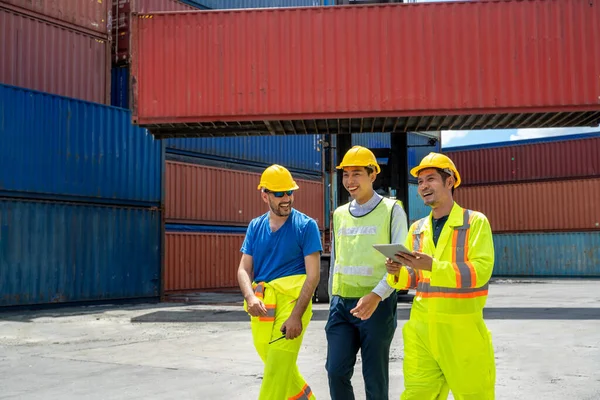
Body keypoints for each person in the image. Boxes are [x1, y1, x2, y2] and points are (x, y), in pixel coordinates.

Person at [385, 152, 496, 400]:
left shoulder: (474, 222)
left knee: (474, 394)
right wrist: (397, 273)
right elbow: (414, 278)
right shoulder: (417, 229)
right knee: (417, 395)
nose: (423, 186)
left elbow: (480, 272)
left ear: (450, 182)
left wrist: (434, 266)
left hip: (462, 330)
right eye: (420, 181)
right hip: (422, 330)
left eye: (431, 179)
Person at [325, 145, 409, 400]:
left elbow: (400, 261)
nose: (350, 181)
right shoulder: (339, 214)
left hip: (377, 305)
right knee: (335, 371)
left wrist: (376, 295)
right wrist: (332, 300)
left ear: (373, 175)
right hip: (342, 305)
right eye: (346, 174)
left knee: (375, 379)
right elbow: (336, 261)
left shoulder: (392, 210)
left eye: (357, 173)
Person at [237, 164, 322, 400]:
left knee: (275, 372)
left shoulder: (306, 226)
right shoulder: (255, 226)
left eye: (290, 192)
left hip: (293, 304)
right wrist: (250, 297)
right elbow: (244, 269)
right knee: (282, 368)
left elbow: (313, 276)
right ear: (264, 195)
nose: (286, 199)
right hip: (263, 305)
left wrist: (296, 316)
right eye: (279, 193)